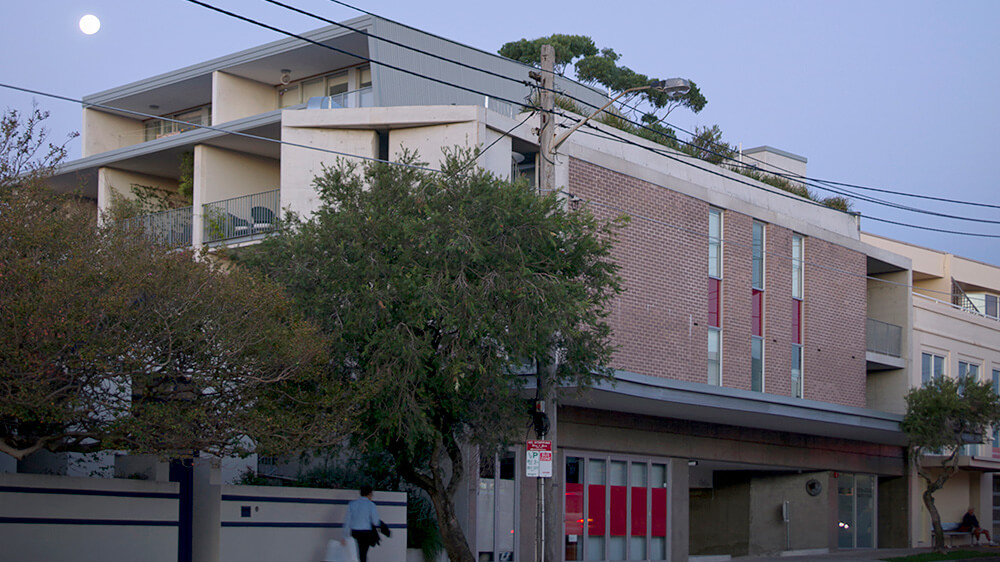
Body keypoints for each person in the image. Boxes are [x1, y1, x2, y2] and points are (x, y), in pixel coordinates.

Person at [342, 485, 382, 562]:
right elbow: (375, 521)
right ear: (369, 494)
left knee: (355, 554)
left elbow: (347, 521)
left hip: (354, 532)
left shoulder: (352, 504)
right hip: (366, 533)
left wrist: (344, 536)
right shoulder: (371, 505)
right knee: (363, 554)